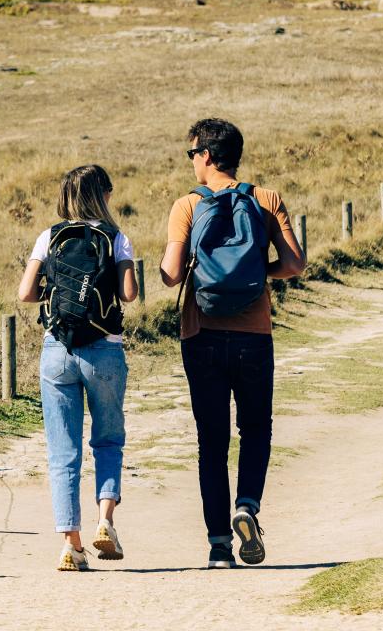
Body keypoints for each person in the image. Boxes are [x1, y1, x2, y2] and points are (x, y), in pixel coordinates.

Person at [158, 119, 305, 569]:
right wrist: (258, 274)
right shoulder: (266, 199)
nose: (191, 162)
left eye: (192, 154)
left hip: (201, 334)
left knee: (212, 441)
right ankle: (247, 506)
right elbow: (294, 264)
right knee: (256, 428)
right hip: (254, 334)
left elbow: (170, 274)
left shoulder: (187, 205)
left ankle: (219, 545)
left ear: (206, 154)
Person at [16, 164, 136, 572]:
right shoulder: (116, 238)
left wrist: (61, 291)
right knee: (108, 440)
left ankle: (71, 543)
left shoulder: (49, 236)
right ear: (103, 195)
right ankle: (106, 521)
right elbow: (129, 294)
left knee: (62, 451)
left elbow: (26, 293)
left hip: (57, 349)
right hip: (104, 351)